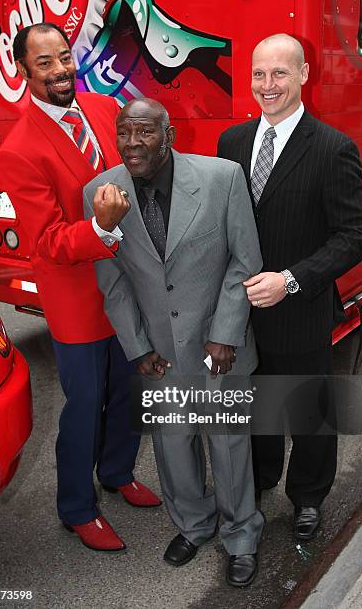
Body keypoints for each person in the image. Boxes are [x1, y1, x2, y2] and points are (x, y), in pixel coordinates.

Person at [83, 98, 265, 587]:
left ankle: (241, 534)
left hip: (218, 346)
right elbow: (114, 283)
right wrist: (137, 347)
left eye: (144, 133)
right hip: (159, 351)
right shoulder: (101, 193)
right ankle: (193, 523)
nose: (131, 144)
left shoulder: (222, 178)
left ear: (169, 136)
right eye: (124, 133)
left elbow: (244, 262)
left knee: (229, 446)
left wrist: (226, 333)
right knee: (172, 444)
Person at [0, 23, 160, 552]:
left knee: (130, 389)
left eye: (64, 57)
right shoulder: (19, 150)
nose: (60, 69)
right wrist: (102, 227)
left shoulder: (104, 108)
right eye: (44, 63)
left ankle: (117, 473)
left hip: (129, 289)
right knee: (86, 403)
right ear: (24, 71)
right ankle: (76, 507)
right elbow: (45, 243)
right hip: (79, 302)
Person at [217, 33, 362, 541]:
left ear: (304, 75)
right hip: (243, 315)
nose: (268, 85)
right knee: (259, 406)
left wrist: (290, 280)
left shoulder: (332, 148)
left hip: (299, 309)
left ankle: (308, 497)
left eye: (280, 73)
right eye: (259, 74)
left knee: (307, 411)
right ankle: (260, 482)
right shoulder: (233, 142)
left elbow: (355, 236)